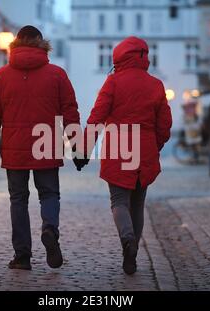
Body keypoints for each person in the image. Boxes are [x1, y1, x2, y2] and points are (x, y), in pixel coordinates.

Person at [0, 26, 80, 270]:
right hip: (46, 144)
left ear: (15, 44)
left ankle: (22, 256)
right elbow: (70, 112)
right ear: (41, 44)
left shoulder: (1, 76)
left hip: (14, 147)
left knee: (18, 199)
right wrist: (78, 147)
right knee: (49, 194)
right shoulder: (57, 75)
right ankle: (49, 229)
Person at [74, 37, 172, 275]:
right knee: (137, 203)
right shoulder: (156, 85)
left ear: (119, 57)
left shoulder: (113, 82)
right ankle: (133, 251)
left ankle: (127, 239)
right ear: (144, 56)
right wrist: (154, 145)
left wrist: (84, 150)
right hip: (145, 148)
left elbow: (96, 117)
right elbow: (165, 124)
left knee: (119, 201)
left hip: (118, 147)